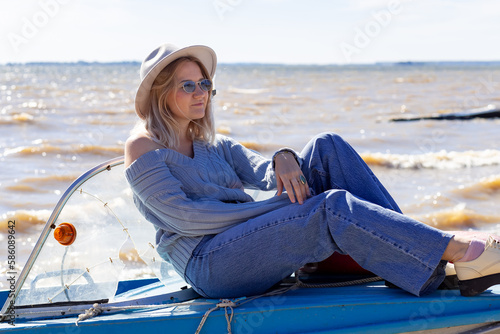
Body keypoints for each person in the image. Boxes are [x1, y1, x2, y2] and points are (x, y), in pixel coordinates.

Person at [124, 43, 500, 299]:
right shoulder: (142, 147)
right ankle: (457, 252)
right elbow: (189, 219)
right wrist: (284, 208)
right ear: (160, 93)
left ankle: (422, 259)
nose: (200, 93)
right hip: (208, 263)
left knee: (327, 145)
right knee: (328, 206)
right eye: (187, 85)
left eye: (204, 83)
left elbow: (267, 173)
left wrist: (284, 156)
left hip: (240, 242)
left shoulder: (212, 142)